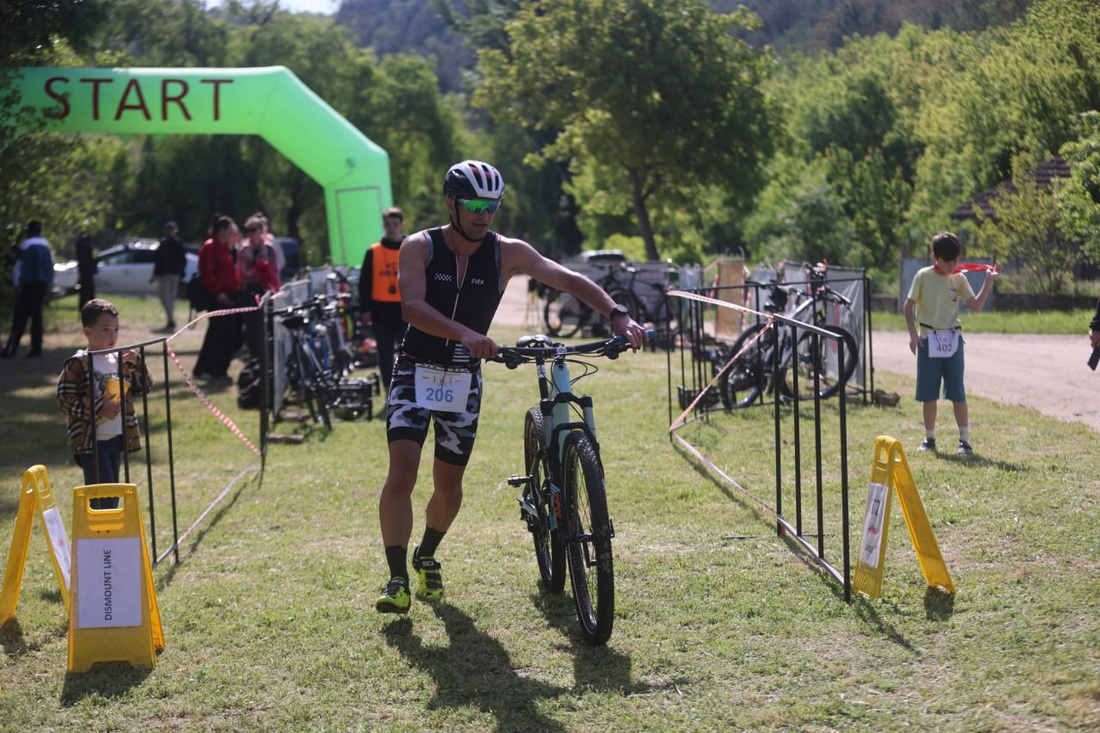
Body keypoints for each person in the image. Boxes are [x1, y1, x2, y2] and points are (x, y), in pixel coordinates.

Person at [374, 160, 647, 614]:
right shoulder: (418, 246)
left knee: (448, 483)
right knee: (402, 473)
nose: (484, 214)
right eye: (475, 205)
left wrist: (617, 313)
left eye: (492, 206)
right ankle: (397, 577)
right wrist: (465, 333)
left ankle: (427, 554)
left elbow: (566, 278)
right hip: (415, 370)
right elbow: (412, 308)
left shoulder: (507, 252)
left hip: (464, 376)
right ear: (451, 203)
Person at [904, 231, 1000, 456]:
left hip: (953, 341)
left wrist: (988, 281)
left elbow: (975, 306)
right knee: (929, 394)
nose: (951, 265)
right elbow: (908, 306)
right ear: (934, 257)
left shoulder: (959, 278)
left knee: (957, 391)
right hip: (928, 341)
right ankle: (929, 439)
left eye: (955, 260)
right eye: (946, 261)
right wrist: (913, 335)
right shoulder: (923, 276)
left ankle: (964, 440)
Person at [57, 299, 151, 498]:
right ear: (87, 332)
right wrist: (99, 407)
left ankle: (103, 520)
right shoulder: (78, 363)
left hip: (116, 436)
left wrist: (138, 365)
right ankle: (97, 520)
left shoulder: (118, 359)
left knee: (113, 494)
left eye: (116, 329)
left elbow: (143, 388)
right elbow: (65, 400)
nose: (113, 336)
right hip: (93, 441)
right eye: (106, 329)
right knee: (104, 497)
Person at [358, 206, 408, 390]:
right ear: (383, 225)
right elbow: (364, 283)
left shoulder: (410, 248)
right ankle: (389, 388)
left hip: (405, 310)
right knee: (384, 353)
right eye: (388, 224)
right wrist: (365, 309)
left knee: (407, 351)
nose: (392, 228)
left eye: (395, 224)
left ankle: (406, 386)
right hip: (380, 311)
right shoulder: (373, 251)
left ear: (402, 225)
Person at [193, 214, 246, 381]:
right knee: (216, 334)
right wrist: (218, 293)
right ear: (222, 230)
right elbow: (207, 273)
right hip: (217, 297)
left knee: (228, 334)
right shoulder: (210, 247)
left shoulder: (225, 248)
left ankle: (219, 369)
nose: (233, 235)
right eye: (231, 231)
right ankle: (204, 369)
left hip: (230, 295)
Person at [2, 220, 54, 358]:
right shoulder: (46, 245)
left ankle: (11, 349)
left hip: (27, 285)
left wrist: (16, 284)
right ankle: (36, 348)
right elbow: (51, 267)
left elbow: (18, 267)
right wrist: (50, 285)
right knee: (37, 317)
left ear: (29, 231)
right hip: (41, 285)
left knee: (20, 317)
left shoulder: (26, 245)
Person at [151, 220, 187, 330]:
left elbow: (159, 260)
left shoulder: (165, 243)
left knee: (165, 297)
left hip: (166, 275)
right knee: (170, 298)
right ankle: (171, 318)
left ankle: (171, 319)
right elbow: (183, 260)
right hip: (173, 274)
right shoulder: (178, 243)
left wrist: (156, 274)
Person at [237, 214, 281, 295]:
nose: (250, 233)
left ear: (261, 231)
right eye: (248, 230)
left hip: (267, 289)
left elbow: (275, 270)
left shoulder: (269, 249)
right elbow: (241, 273)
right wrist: (255, 272)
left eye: (253, 230)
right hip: (248, 289)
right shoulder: (243, 250)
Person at [74, 219, 97, 309]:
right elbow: (81, 258)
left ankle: (91, 309)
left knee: (90, 292)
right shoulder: (81, 242)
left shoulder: (90, 240)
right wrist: (80, 272)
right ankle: (84, 309)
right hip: (84, 271)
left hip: (89, 271)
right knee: (84, 292)